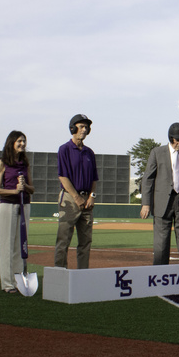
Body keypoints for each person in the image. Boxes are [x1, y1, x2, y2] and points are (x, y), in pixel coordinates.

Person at [141, 123, 179, 265]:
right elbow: (147, 179)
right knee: (161, 242)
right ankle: (160, 274)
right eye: (178, 139)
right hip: (162, 201)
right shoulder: (157, 152)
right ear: (171, 138)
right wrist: (146, 204)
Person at [54, 114, 98, 269]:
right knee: (63, 239)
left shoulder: (89, 153)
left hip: (87, 199)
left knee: (85, 242)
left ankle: (82, 275)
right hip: (69, 198)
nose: (84, 130)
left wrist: (92, 196)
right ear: (72, 128)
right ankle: (59, 272)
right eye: (81, 126)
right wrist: (76, 197)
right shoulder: (64, 149)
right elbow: (63, 177)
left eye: (86, 127)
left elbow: (94, 178)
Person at [0, 131, 35, 293]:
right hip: (8, 206)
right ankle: (7, 284)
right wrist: (14, 191)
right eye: (19, 141)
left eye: (24, 141)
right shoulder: (2, 163)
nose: (22, 144)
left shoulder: (25, 164)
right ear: (11, 143)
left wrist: (24, 187)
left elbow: (32, 189)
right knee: (7, 246)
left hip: (24, 205)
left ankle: (18, 282)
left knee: (20, 246)